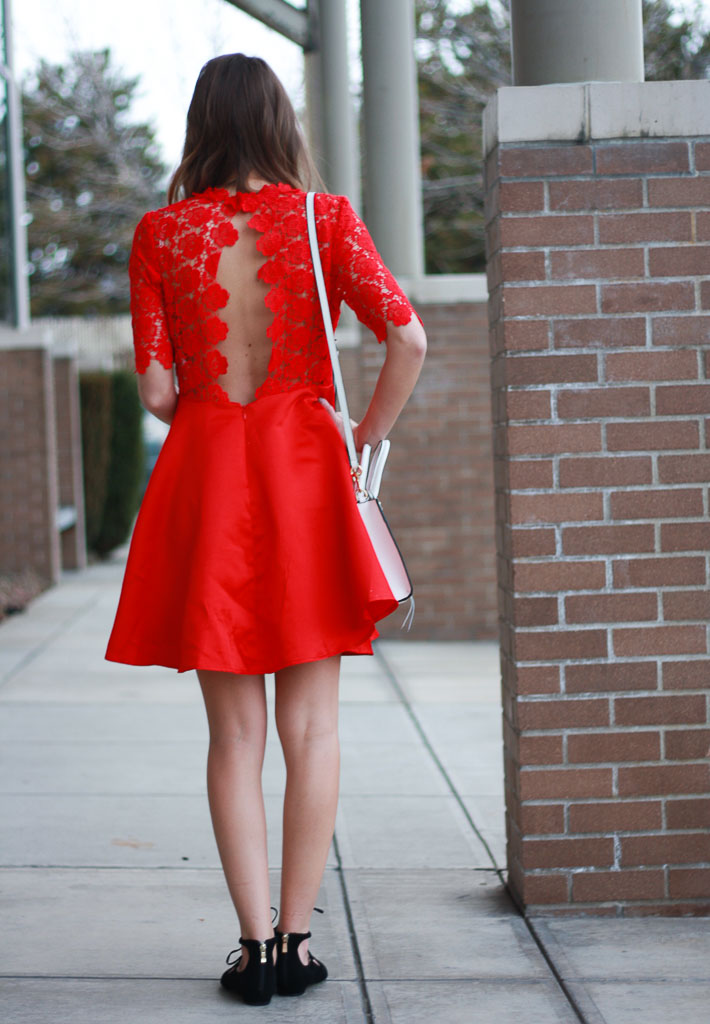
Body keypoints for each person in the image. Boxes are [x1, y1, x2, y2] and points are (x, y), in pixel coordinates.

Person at [104, 53, 427, 1006]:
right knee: (311, 726)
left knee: (232, 735)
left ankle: (250, 951)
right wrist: (362, 435)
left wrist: (214, 421)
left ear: (201, 126)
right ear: (282, 124)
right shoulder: (323, 220)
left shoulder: (160, 234)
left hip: (208, 471)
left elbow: (155, 386)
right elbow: (407, 337)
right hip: (304, 474)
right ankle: (296, 943)